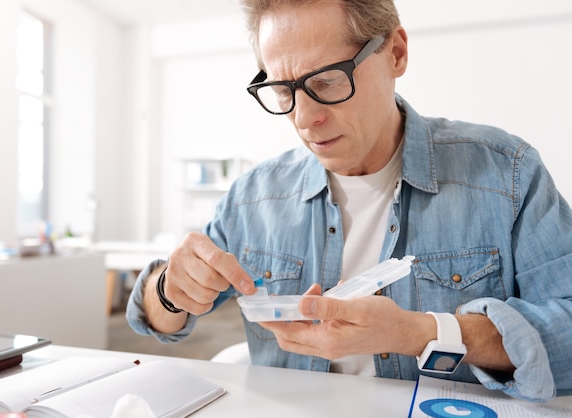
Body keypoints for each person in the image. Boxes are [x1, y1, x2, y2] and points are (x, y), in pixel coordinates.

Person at [127, 0, 572, 402]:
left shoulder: (506, 174)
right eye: (284, 90)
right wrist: (169, 290)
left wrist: (419, 333)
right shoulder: (253, 198)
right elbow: (157, 321)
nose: (304, 118)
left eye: (326, 80)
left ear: (395, 53)